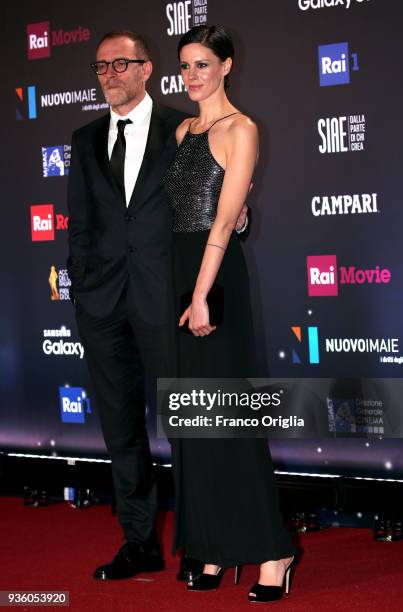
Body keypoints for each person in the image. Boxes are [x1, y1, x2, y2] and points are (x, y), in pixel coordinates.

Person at [67, 29, 247, 582]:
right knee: (121, 430)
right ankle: (139, 541)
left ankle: (199, 541)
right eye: (102, 67)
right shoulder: (84, 138)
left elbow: (216, 201)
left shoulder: (184, 126)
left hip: (167, 299)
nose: (111, 74)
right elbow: (81, 224)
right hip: (103, 306)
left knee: (188, 424)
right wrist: (81, 287)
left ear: (146, 70)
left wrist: (240, 220)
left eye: (123, 64)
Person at [165, 25, 296, 603]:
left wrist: (199, 295)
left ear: (227, 65)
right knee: (196, 424)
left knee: (230, 421)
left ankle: (274, 550)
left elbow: (222, 222)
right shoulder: (183, 129)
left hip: (212, 279)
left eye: (202, 65)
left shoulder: (241, 128)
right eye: (185, 66)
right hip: (178, 272)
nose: (191, 77)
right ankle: (215, 546)